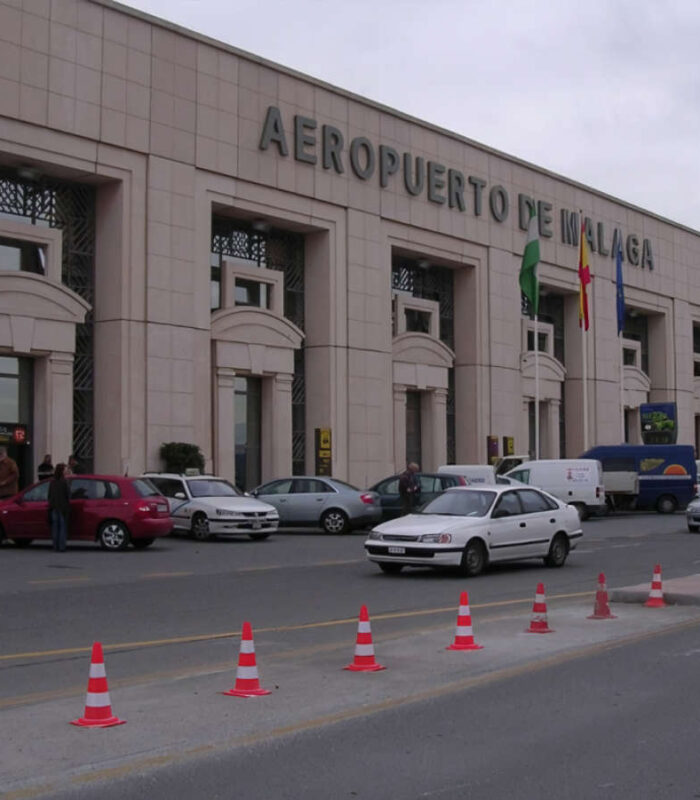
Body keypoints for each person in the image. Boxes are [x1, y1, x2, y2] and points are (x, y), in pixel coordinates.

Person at [48, 463, 70, 552]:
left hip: (54, 507)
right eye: (65, 470)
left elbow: (49, 495)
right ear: (62, 471)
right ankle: (61, 546)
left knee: (55, 527)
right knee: (62, 528)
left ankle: (55, 546)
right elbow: (68, 495)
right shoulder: (64, 482)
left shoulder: (52, 482)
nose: (66, 471)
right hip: (62, 507)